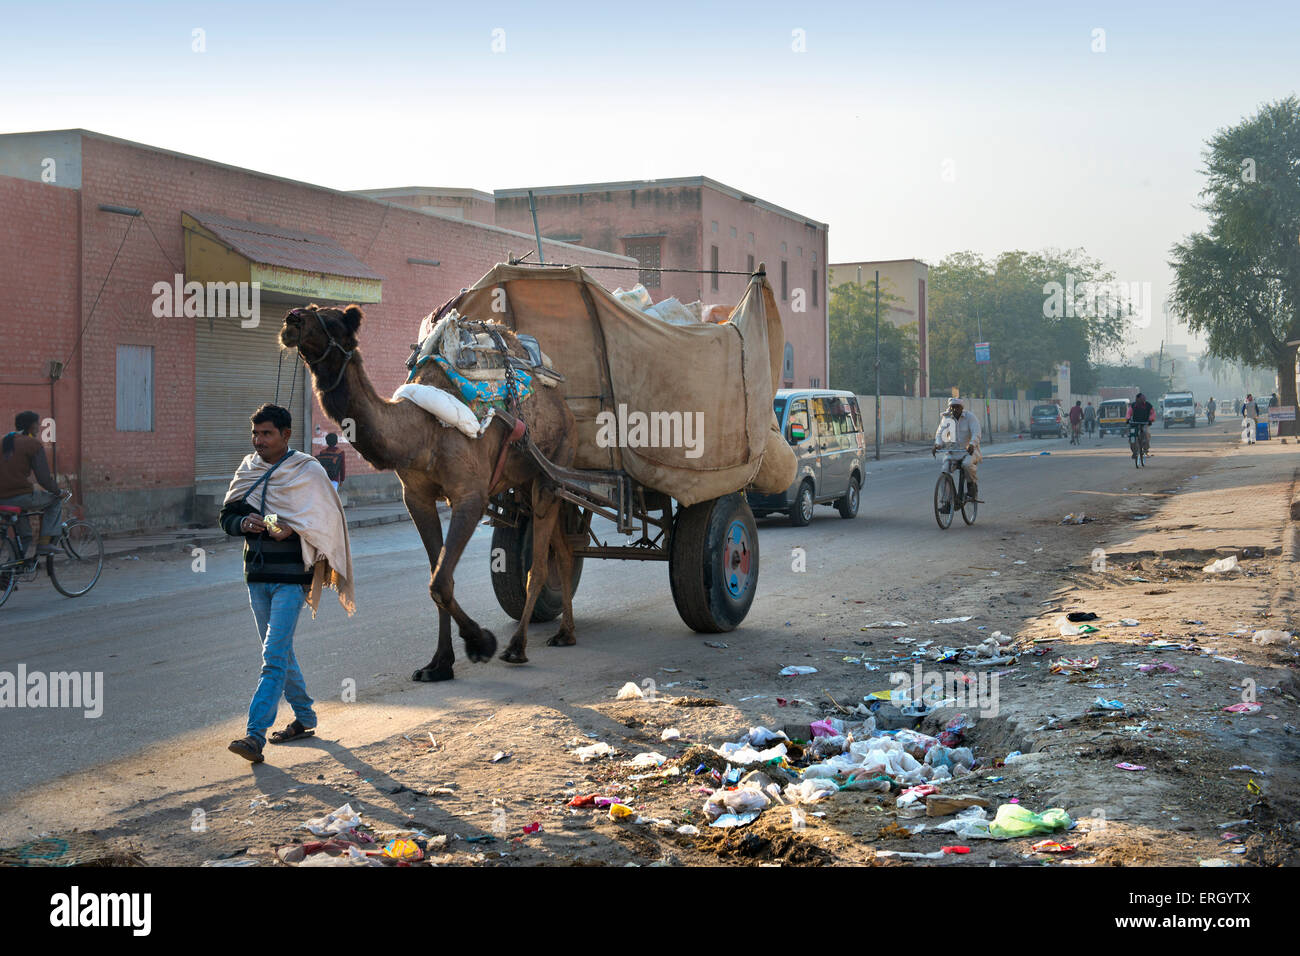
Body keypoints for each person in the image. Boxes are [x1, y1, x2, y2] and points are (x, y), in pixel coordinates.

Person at [220, 404, 355, 764]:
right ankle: (306, 717)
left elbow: (324, 519)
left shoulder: (306, 471)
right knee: (279, 650)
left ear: (285, 435)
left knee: (272, 657)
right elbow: (227, 514)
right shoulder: (248, 469)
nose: (258, 440)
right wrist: (245, 524)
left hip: (292, 578)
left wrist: (293, 528)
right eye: (255, 433)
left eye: (266, 433)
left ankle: (254, 735)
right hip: (257, 575)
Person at [0, 411, 62, 557]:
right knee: (55, 502)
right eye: (37, 424)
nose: (39, 428)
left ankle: (10, 574)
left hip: (1, 498)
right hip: (19, 496)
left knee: (25, 535)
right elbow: (44, 479)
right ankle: (44, 544)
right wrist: (58, 491)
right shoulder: (32, 444)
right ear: (32, 426)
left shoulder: (3, 440)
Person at [932, 397, 982, 508]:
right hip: (953, 451)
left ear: (962, 408)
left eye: (957, 407)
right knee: (945, 470)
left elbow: (976, 432)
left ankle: (971, 486)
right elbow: (940, 434)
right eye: (952, 408)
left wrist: (972, 444)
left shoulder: (970, 417)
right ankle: (947, 501)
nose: (955, 410)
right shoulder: (947, 419)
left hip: (969, 451)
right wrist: (938, 444)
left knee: (967, 464)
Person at [1126, 392, 1156, 458]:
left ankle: (1145, 450)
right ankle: (1134, 452)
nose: (1143, 399)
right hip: (1134, 423)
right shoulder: (1133, 405)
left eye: (1144, 398)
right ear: (1137, 399)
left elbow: (1153, 413)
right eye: (1142, 398)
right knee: (1132, 437)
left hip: (1145, 423)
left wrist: (1150, 420)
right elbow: (1129, 413)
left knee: (1146, 434)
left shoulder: (1148, 405)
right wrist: (1128, 419)